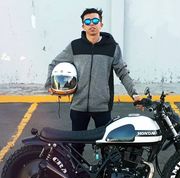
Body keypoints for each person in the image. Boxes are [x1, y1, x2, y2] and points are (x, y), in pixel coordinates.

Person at [45, 8, 141, 154]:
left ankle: (105, 176)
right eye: (87, 21)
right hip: (78, 106)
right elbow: (54, 63)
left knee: (106, 148)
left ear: (101, 24)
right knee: (76, 147)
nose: (92, 24)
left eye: (95, 20)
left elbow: (122, 72)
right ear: (83, 26)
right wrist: (49, 84)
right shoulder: (75, 46)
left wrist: (134, 94)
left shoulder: (112, 47)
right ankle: (75, 175)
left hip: (102, 107)